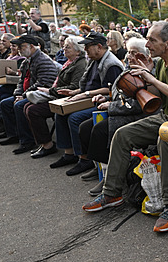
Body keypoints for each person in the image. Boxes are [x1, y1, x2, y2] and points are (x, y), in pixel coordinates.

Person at [81, 22, 168, 234]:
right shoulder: (161, 63)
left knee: (164, 139)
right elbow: (157, 97)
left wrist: (151, 79)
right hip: (167, 117)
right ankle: (112, 192)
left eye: (152, 40)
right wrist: (144, 79)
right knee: (122, 134)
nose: (147, 44)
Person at [78, 38, 154, 194]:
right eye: (129, 52)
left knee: (100, 131)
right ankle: (99, 166)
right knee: (85, 127)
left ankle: (108, 176)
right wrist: (106, 98)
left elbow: (137, 105)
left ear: (144, 54)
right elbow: (120, 94)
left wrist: (111, 105)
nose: (130, 56)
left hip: (137, 115)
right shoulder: (129, 68)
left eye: (134, 52)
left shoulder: (147, 72)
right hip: (121, 110)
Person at [49, 32, 124, 175]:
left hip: (102, 101)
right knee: (61, 114)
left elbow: (111, 89)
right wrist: (75, 92)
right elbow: (88, 85)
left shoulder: (111, 64)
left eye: (88, 46)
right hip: (88, 98)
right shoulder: (94, 60)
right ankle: (69, 153)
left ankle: (85, 159)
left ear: (99, 46)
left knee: (75, 118)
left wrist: (85, 94)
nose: (85, 50)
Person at [24, 36, 88, 159]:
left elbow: (74, 87)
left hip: (65, 96)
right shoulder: (69, 62)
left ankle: (50, 146)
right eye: (64, 46)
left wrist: (50, 91)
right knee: (27, 105)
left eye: (67, 47)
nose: (63, 49)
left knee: (33, 110)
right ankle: (44, 144)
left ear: (78, 51)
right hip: (58, 95)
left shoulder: (80, 65)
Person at [0, 35, 58, 152]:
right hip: (29, 93)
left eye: (22, 46)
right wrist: (18, 94)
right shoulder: (27, 60)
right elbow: (22, 80)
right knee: (5, 103)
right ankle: (14, 135)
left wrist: (24, 95)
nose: (19, 49)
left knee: (20, 106)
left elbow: (44, 83)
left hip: (41, 94)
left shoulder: (43, 60)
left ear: (31, 46)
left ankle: (28, 141)